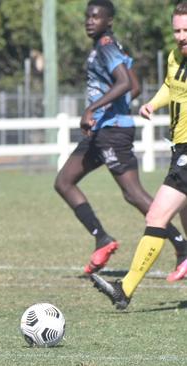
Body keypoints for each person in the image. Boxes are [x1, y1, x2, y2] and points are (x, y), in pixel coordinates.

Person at [53, 0, 187, 279]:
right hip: (101, 130)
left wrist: (94, 108)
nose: (90, 20)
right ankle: (102, 238)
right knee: (64, 181)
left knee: (134, 194)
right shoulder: (104, 46)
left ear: (109, 20)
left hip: (113, 130)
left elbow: (126, 83)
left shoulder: (106, 45)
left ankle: (180, 246)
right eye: (87, 16)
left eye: (96, 16)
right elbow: (135, 85)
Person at [91, 1, 187, 309]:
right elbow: (171, 87)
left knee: (158, 216)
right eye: (177, 30)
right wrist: (153, 104)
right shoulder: (175, 57)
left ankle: (125, 289)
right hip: (179, 149)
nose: (182, 36)